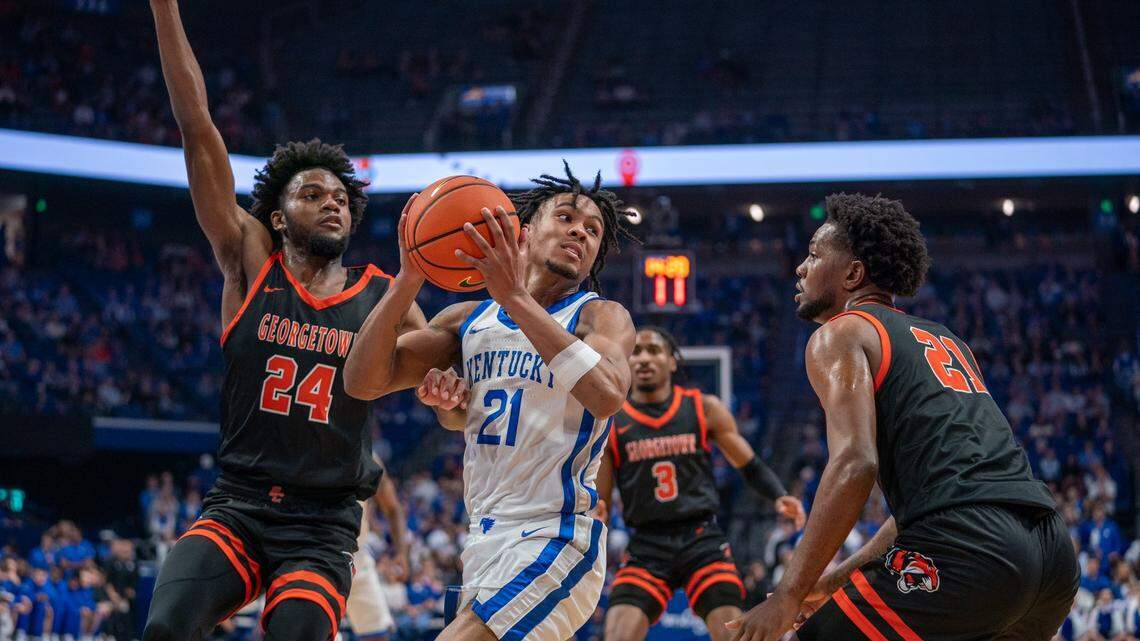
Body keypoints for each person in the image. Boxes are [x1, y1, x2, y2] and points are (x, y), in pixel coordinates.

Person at [142, 2, 425, 641]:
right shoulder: (249, 264)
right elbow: (196, 125)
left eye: (340, 198)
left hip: (322, 524)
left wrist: (449, 388)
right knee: (164, 625)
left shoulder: (387, 296)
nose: (331, 203)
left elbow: (441, 366)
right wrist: (164, 8)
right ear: (276, 215)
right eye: (311, 194)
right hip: (238, 504)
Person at [727, 193, 1079, 641]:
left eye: (814, 255)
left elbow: (856, 464)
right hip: (1051, 555)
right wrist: (833, 581)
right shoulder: (946, 339)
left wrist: (787, 596)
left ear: (853, 273)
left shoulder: (842, 334)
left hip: (973, 548)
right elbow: (922, 509)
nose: (800, 267)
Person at [343, 163, 636, 641]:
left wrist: (517, 298)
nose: (579, 232)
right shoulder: (467, 320)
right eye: (565, 218)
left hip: (557, 537)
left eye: (592, 230)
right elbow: (361, 381)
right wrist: (408, 279)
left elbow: (606, 396)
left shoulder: (599, 315)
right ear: (523, 232)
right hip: (482, 538)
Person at [595, 326, 805, 641]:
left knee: (734, 633)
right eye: (635, 352)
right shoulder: (612, 422)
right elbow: (602, 501)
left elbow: (748, 464)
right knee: (617, 634)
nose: (643, 358)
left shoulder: (702, 407)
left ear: (672, 361)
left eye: (653, 350)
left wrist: (778, 495)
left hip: (701, 538)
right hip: (647, 543)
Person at [345, 460, 409, 641]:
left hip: (357, 554)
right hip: (319, 551)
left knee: (378, 635)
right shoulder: (309, 444)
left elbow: (392, 507)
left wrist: (402, 553)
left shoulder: (367, 454)